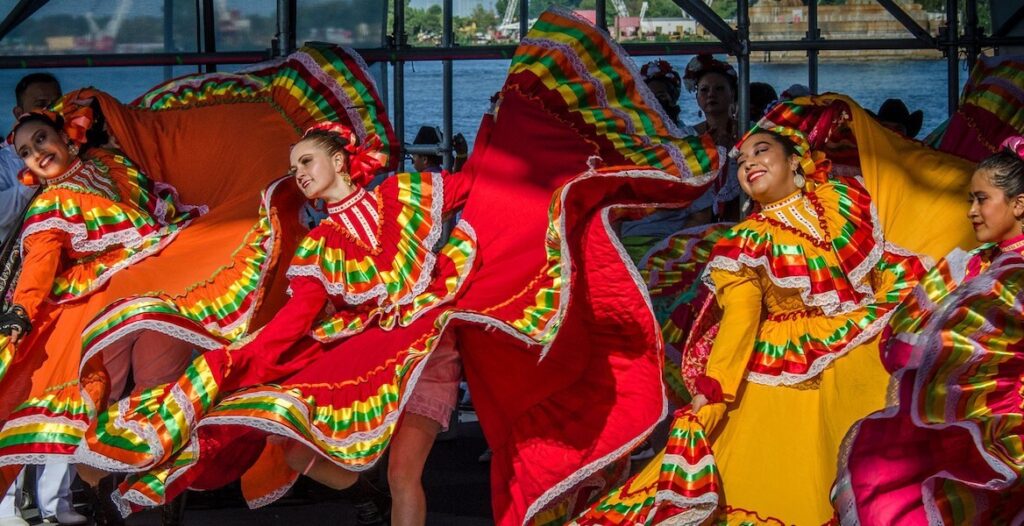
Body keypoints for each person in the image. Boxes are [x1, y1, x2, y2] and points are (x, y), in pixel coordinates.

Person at [76, 9, 725, 526]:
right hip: (368, 357)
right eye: (295, 167)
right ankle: (365, 497)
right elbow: (297, 317)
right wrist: (237, 362)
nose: (299, 175)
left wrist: (508, 138)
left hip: (431, 349)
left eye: (308, 162)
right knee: (292, 448)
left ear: (339, 159)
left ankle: (387, 498)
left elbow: (477, 192)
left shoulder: (402, 197)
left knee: (406, 473)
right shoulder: (317, 247)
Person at [0, 44, 399, 526]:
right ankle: (117, 498)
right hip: (105, 314)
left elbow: (164, 149)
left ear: (66, 136)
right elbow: (38, 267)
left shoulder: (114, 167)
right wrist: (21, 312)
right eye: (25, 151)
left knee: (167, 391)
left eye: (41, 138)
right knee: (106, 402)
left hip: (164, 293)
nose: (37, 154)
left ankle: (159, 499)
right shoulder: (49, 208)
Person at [834, 136, 1024, 524]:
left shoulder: (1001, 273)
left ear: (1019, 204)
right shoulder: (969, 266)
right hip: (963, 421)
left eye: (981, 199)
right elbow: (901, 341)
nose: (971, 211)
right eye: (970, 199)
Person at [0, 73, 88, 526]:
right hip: (17, 291)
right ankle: (10, 503)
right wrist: (30, 179)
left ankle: (58, 503)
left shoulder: (92, 161)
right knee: (16, 389)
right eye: (38, 103)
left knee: (67, 393)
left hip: (74, 295)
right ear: (19, 113)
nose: (49, 107)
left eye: (54, 103)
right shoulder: (8, 162)